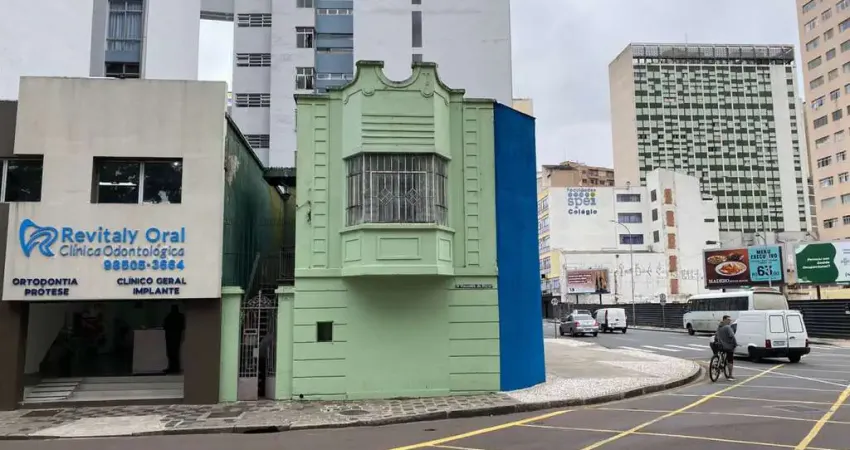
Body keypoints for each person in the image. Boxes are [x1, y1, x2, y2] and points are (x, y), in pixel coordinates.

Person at [163, 305, 185, 374]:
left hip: (171, 336)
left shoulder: (169, 316)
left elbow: (165, 325)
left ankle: (173, 368)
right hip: (176, 336)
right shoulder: (180, 316)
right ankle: (174, 368)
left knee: (172, 353)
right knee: (174, 353)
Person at [715, 315, 737, 380]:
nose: (729, 321)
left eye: (730, 320)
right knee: (730, 360)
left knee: (720, 354)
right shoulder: (728, 327)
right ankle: (730, 375)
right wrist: (735, 344)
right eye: (728, 319)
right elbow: (732, 336)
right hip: (728, 346)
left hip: (720, 346)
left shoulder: (719, 327)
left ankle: (719, 363)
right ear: (724, 320)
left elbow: (716, 335)